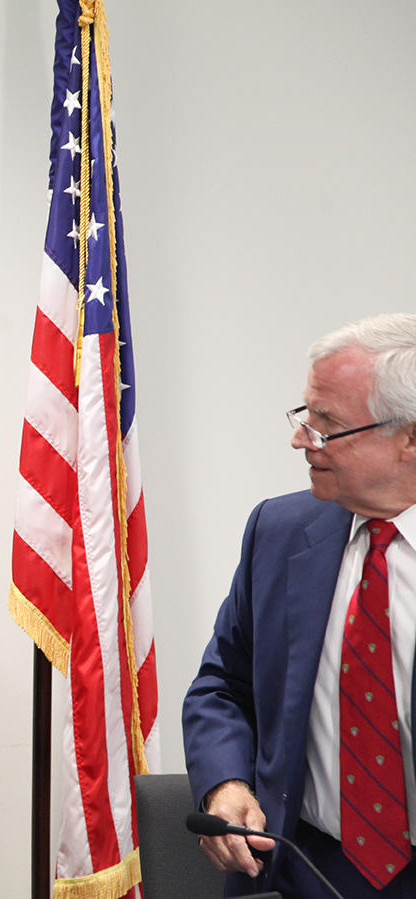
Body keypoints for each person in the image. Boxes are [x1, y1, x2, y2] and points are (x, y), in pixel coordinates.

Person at [184, 313, 416, 898]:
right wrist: (225, 782)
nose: (300, 438)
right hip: (302, 868)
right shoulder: (280, 530)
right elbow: (222, 684)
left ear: (409, 437)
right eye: (304, 415)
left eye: (327, 423)